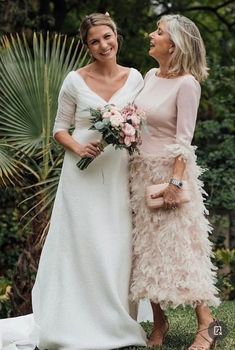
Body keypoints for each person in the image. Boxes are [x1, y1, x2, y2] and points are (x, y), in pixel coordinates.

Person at [31, 12, 146, 349]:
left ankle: (116, 317)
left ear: (116, 36)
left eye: (107, 37)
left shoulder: (136, 78)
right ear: (87, 46)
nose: (103, 45)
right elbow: (58, 129)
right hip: (81, 176)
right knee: (82, 242)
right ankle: (74, 317)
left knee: (116, 241)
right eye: (94, 41)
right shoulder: (74, 80)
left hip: (118, 172)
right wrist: (79, 147)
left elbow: (141, 124)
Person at [129, 14, 220, 350]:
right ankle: (159, 322)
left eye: (159, 31)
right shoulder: (151, 75)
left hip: (171, 176)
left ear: (175, 44)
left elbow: (185, 139)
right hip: (138, 174)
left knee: (182, 249)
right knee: (145, 252)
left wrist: (175, 183)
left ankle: (208, 325)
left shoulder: (188, 84)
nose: (151, 35)